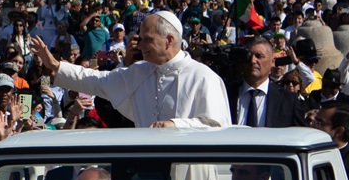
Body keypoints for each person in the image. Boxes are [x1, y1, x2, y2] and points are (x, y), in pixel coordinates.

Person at [28, 11, 231, 129]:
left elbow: (217, 129)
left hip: (189, 177)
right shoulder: (140, 71)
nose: (140, 46)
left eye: (147, 40)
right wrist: (56, 66)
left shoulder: (204, 78)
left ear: (169, 40)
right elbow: (96, 80)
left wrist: (176, 125)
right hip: (144, 170)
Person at [230, 37, 306, 128]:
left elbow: (300, 135)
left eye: (259, 56)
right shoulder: (226, 95)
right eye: (249, 56)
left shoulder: (288, 100)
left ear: (272, 62)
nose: (253, 61)